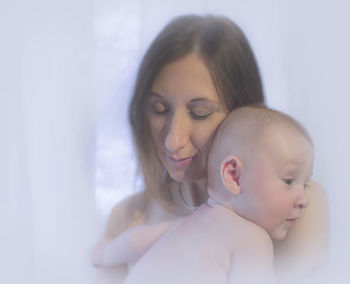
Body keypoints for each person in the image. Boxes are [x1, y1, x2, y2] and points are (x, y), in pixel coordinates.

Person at [93, 14, 329, 283]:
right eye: (159, 109)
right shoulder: (127, 217)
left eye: (200, 113)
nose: (172, 140)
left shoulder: (295, 210)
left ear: (243, 113)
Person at [91, 106, 313, 284]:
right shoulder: (252, 240)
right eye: (289, 181)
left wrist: (104, 253)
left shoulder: (184, 224)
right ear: (234, 176)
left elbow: (134, 242)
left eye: (306, 185)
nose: (305, 200)